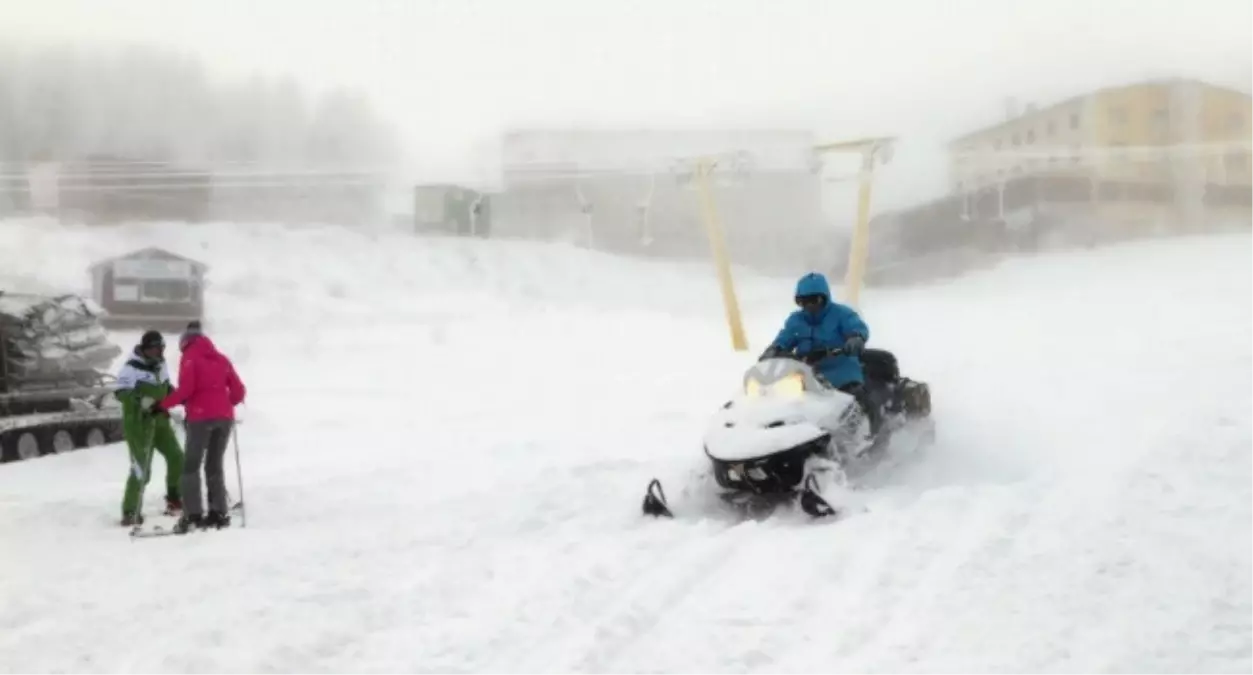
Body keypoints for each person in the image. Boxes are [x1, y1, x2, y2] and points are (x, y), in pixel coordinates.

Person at [759, 271, 881, 433]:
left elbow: (857, 327)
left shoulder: (841, 314)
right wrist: (774, 350)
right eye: (803, 301)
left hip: (841, 369)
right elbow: (784, 338)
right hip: (807, 373)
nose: (810, 306)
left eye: (814, 300)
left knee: (855, 399)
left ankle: (870, 433)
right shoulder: (796, 321)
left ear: (825, 298)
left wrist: (856, 338)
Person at [153, 321, 246, 532]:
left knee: (190, 467)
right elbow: (239, 391)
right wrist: (224, 404)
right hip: (224, 418)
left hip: (200, 418)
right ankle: (218, 513)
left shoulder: (190, 358)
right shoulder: (222, 359)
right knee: (214, 465)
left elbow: (186, 391)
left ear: (185, 342)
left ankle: (193, 514)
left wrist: (162, 405)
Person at [114, 330, 185, 526]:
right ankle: (130, 511)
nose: (156, 352)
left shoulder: (160, 365)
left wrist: (179, 396)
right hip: (139, 423)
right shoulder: (132, 367)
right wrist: (140, 400)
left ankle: (174, 498)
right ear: (145, 349)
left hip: (160, 420)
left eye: (159, 349)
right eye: (153, 349)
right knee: (141, 469)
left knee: (177, 457)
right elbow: (120, 392)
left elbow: (166, 387)